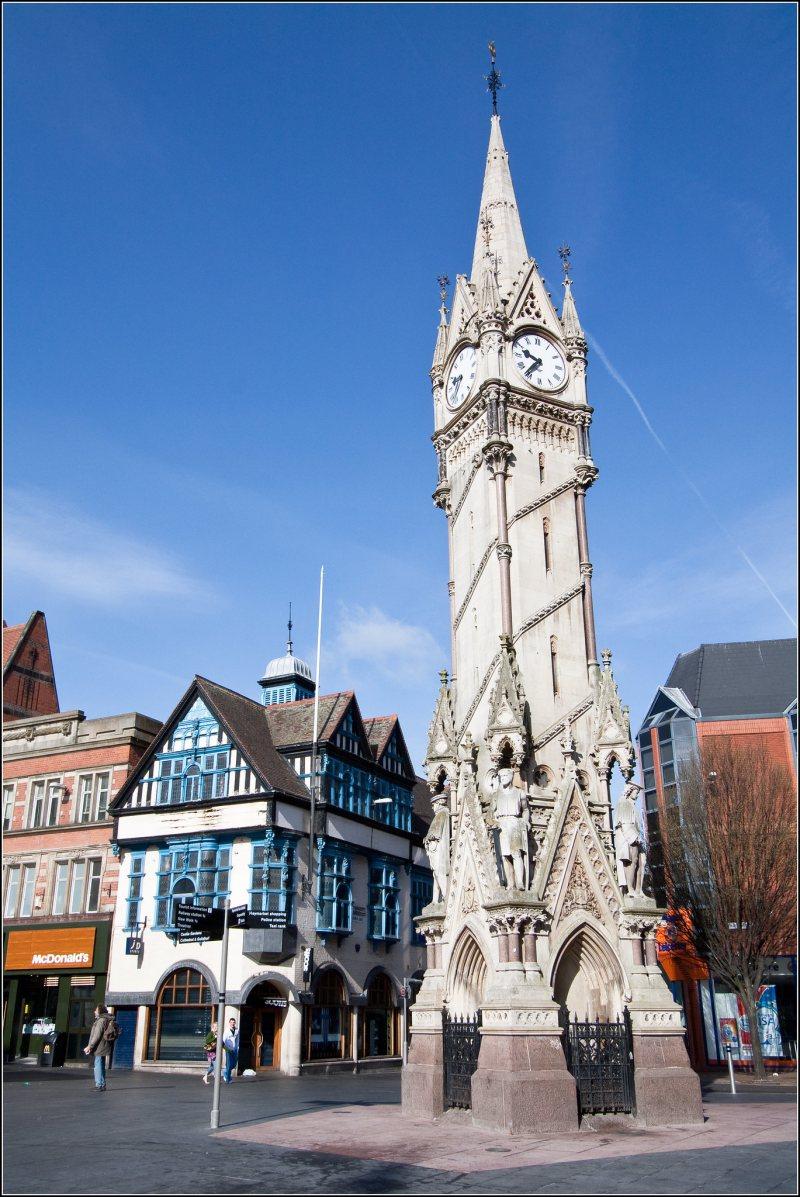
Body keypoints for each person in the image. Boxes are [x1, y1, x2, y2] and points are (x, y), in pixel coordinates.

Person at [486, 765, 530, 890]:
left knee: (516, 853)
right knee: (505, 856)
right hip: (502, 824)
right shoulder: (496, 795)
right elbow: (489, 814)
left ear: (511, 777)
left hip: (515, 822)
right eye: (501, 776)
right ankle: (511, 883)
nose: (503, 778)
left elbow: (525, 810)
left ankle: (520, 882)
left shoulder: (519, 793)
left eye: (506, 775)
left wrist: (525, 821)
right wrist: (493, 822)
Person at [83, 1005, 117, 1091]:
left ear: (100, 1011)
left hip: (100, 1046)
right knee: (101, 1064)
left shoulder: (101, 1020)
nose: (95, 1012)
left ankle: (99, 1085)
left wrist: (90, 1046)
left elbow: (97, 1035)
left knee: (98, 1065)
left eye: (96, 1010)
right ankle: (102, 1084)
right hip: (104, 1045)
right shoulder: (106, 1019)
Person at [223, 1018, 239, 1084]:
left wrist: (237, 1047)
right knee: (229, 1064)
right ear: (229, 1023)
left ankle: (225, 1073)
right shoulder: (227, 1030)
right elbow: (223, 1040)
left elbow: (238, 1038)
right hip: (228, 1049)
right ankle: (227, 1079)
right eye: (231, 1022)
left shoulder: (237, 1030)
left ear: (235, 1023)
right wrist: (226, 1048)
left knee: (234, 1064)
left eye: (233, 1022)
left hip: (234, 1049)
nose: (232, 1023)